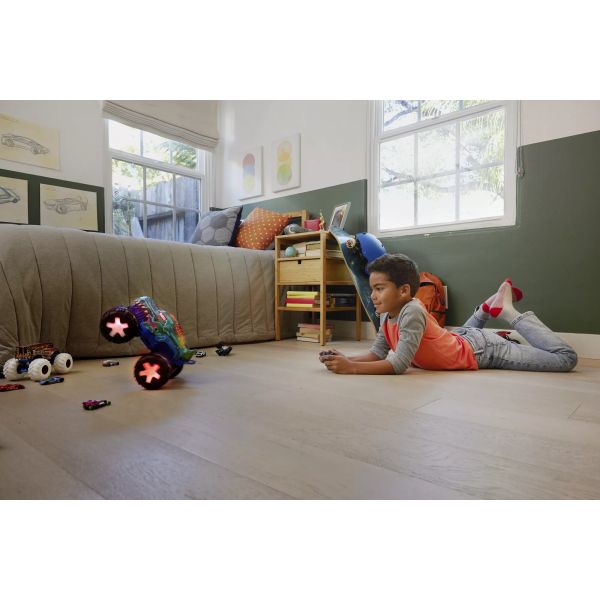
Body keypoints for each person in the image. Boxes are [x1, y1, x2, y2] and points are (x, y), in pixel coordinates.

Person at [319, 254, 577, 375]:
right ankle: (486, 309)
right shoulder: (387, 313)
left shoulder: (411, 312)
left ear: (404, 290)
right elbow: (377, 353)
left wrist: (352, 368)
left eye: (379, 289)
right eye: (372, 289)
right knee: (456, 339)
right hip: (461, 338)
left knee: (566, 359)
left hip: (483, 350)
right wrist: (345, 358)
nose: (373, 296)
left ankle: (507, 311)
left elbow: (398, 365)